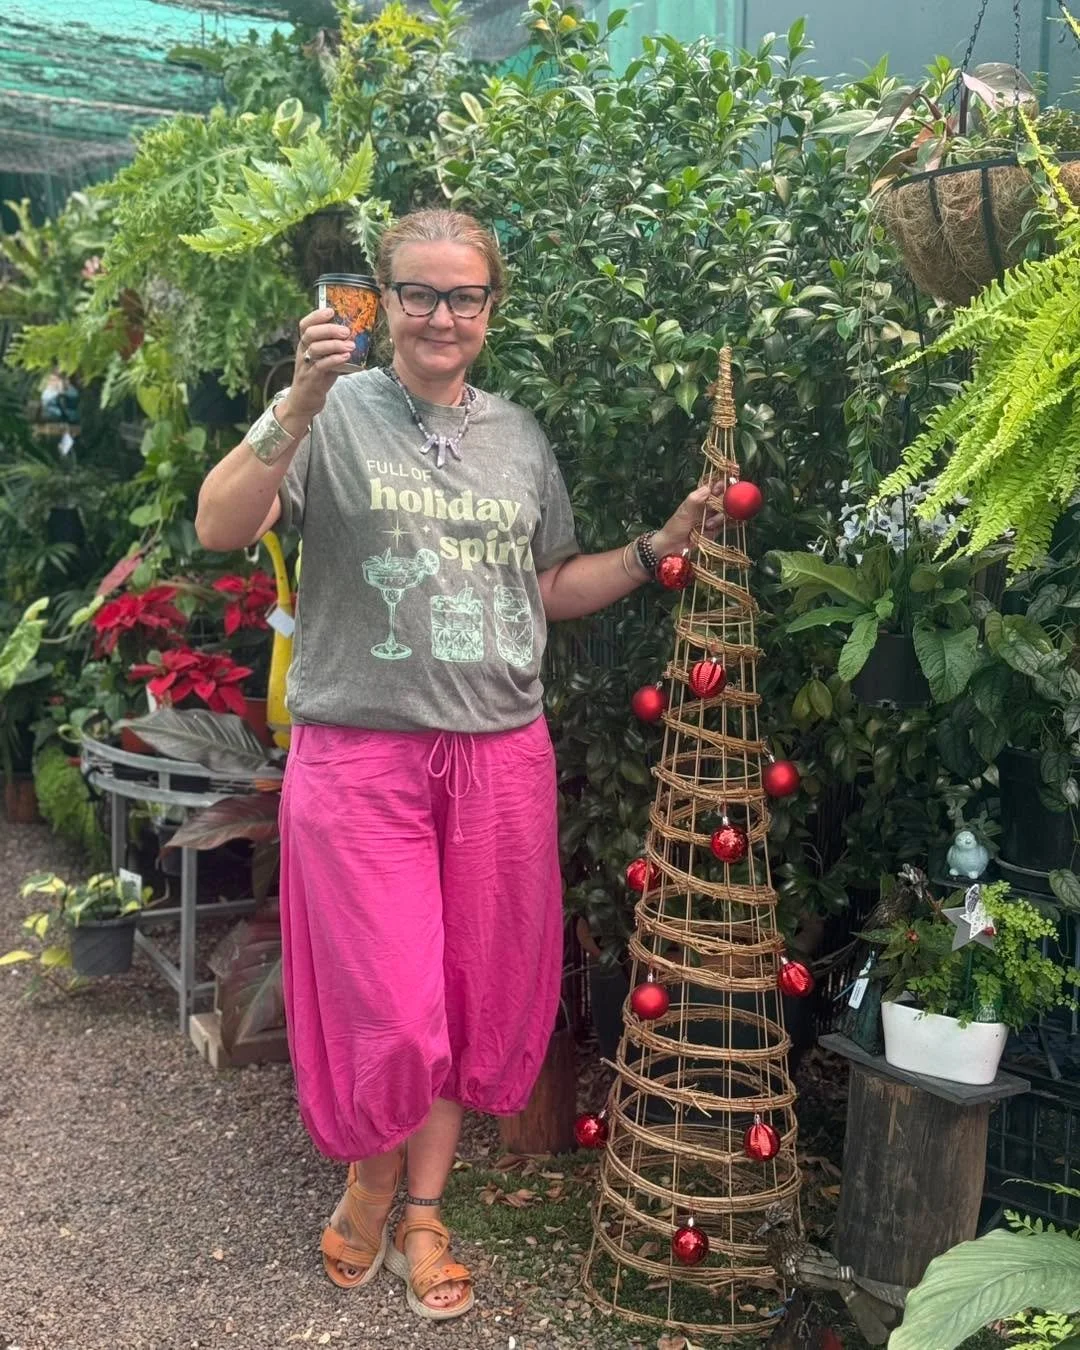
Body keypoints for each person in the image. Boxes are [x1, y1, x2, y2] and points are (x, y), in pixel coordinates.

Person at [195, 208, 721, 1322]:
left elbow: (545, 588)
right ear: (382, 300)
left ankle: (425, 1213)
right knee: (392, 1004)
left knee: (463, 992)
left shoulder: (518, 437)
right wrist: (297, 402)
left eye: (464, 296)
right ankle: (371, 1179)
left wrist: (656, 550)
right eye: (420, 294)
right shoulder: (331, 413)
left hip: (498, 757)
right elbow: (219, 524)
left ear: (491, 306)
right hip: (363, 756)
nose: (442, 316)